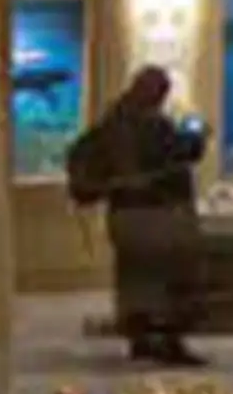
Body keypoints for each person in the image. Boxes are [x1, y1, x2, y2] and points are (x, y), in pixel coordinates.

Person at [67, 65, 210, 365]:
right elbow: (181, 154)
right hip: (158, 216)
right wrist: (197, 139)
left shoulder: (113, 122)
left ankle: (141, 337)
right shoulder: (151, 125)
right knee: (172, 280)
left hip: (127, 216)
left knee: (136, 279)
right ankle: (168, 341)